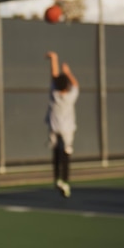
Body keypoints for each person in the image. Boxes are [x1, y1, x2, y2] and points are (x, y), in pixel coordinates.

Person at [45, 51, 79, 198]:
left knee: (55, 153)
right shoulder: (70, 96)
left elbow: (54, 75)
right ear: (67, 86)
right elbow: (76, 84)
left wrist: (54, 59)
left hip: (54, 128)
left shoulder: (54, 94)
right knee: (66, 153)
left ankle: (57, 178)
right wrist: (68, 73)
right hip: (66, 130)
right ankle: (64, 180)